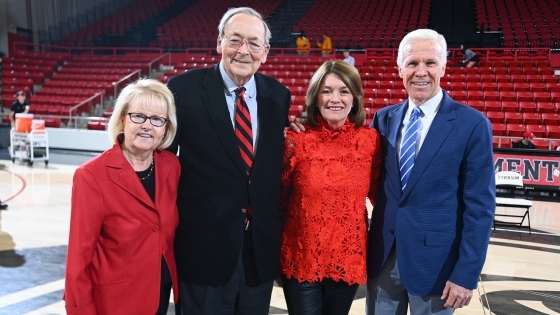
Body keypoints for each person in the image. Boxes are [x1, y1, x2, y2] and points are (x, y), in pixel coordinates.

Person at [166, 7, 291, 314]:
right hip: (203, 246)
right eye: (235, 40)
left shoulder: (278, 96)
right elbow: (165, 161)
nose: (243, 51)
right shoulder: (184, 89)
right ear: (219, 42)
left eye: (253, 43)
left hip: (258, 248)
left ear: (265, 51)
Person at [365, 29, 495, 314]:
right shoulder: (383, 118)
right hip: (382, 259)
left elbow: (480, 208)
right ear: (400, 69)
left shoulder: (472, 124)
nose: (420, 71)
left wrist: (466, 274)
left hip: (438, 266)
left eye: (430, 63)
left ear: (444, 67)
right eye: (412, 63)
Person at [63, 78, 180, 315]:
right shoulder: (91, 176)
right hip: (115, 302)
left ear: (166, 127)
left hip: (160, 293)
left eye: (157, 119)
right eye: (139, 116)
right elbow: (78, 259)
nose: (148, 126)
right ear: (122, 119)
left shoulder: (172, 166)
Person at [280, 60, 382, 315]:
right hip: (302, 257)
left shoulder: (370, 141)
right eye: (326, 91)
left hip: (347, 259)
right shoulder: (295, 140)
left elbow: (382, 196)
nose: (335, 99)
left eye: (344, 91)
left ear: (355, 98)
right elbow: (276, 199)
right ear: (315, 97)